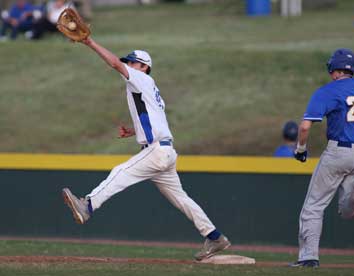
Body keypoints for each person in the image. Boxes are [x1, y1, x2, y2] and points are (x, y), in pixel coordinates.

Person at [61, 36, 231, 261]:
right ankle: (215, 237)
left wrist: (89, 42)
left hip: (157, 151)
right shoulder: (149, 87)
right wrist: (134, 130)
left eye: (133, 62)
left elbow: (114, 63)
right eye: (129, 62)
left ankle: (88, 205)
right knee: (182, 200)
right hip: (166, 152)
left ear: (144, 67)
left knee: (120, 172)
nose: (128, 65)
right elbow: (154, 117)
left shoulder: (140, 78)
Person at [290, 48, 354, 268]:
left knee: (314, 206)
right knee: (347, 210)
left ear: (334, 70)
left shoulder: (328, 90)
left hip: (339, 151)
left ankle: (308, 258)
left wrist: (300, 150)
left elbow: (305, 126)